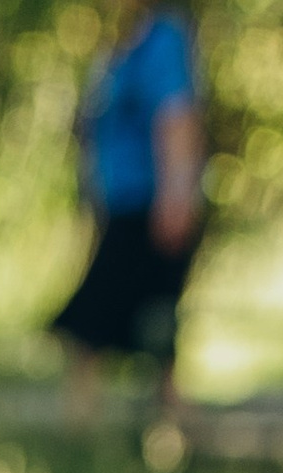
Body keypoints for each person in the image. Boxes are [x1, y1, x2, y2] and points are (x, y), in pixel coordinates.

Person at [52, 4, 205, 425]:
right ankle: (143, 414)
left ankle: (152, 415)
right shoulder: (122, 46)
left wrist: (176, 197)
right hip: (122, 200)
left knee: (117, 310)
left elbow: (176, 118)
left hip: (148, 202)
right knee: (136, 308)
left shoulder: (162, 40)